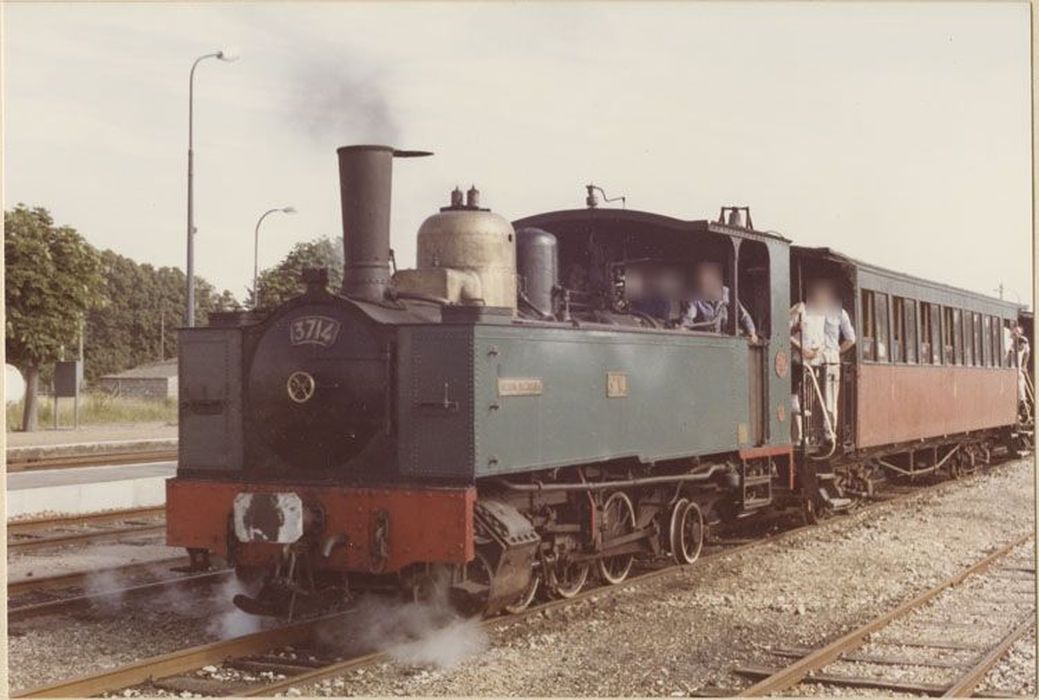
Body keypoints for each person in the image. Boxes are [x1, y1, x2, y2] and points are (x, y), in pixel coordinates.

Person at [790, 278, 856, 444]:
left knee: (829, 397)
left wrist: (835, 352)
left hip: (828, 357)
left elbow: (851, 339)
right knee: (808, 396)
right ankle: (807, 434)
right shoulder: (805, 309)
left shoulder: (839, 312)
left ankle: (828, 432)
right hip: (810, 358)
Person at [680, 261, 758, 342]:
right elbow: (688, 317)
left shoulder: (726, 292)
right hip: (703, 340)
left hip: (724, 339)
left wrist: (751, 332)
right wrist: (683, 328)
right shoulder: (695, 297)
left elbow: (743, 315)